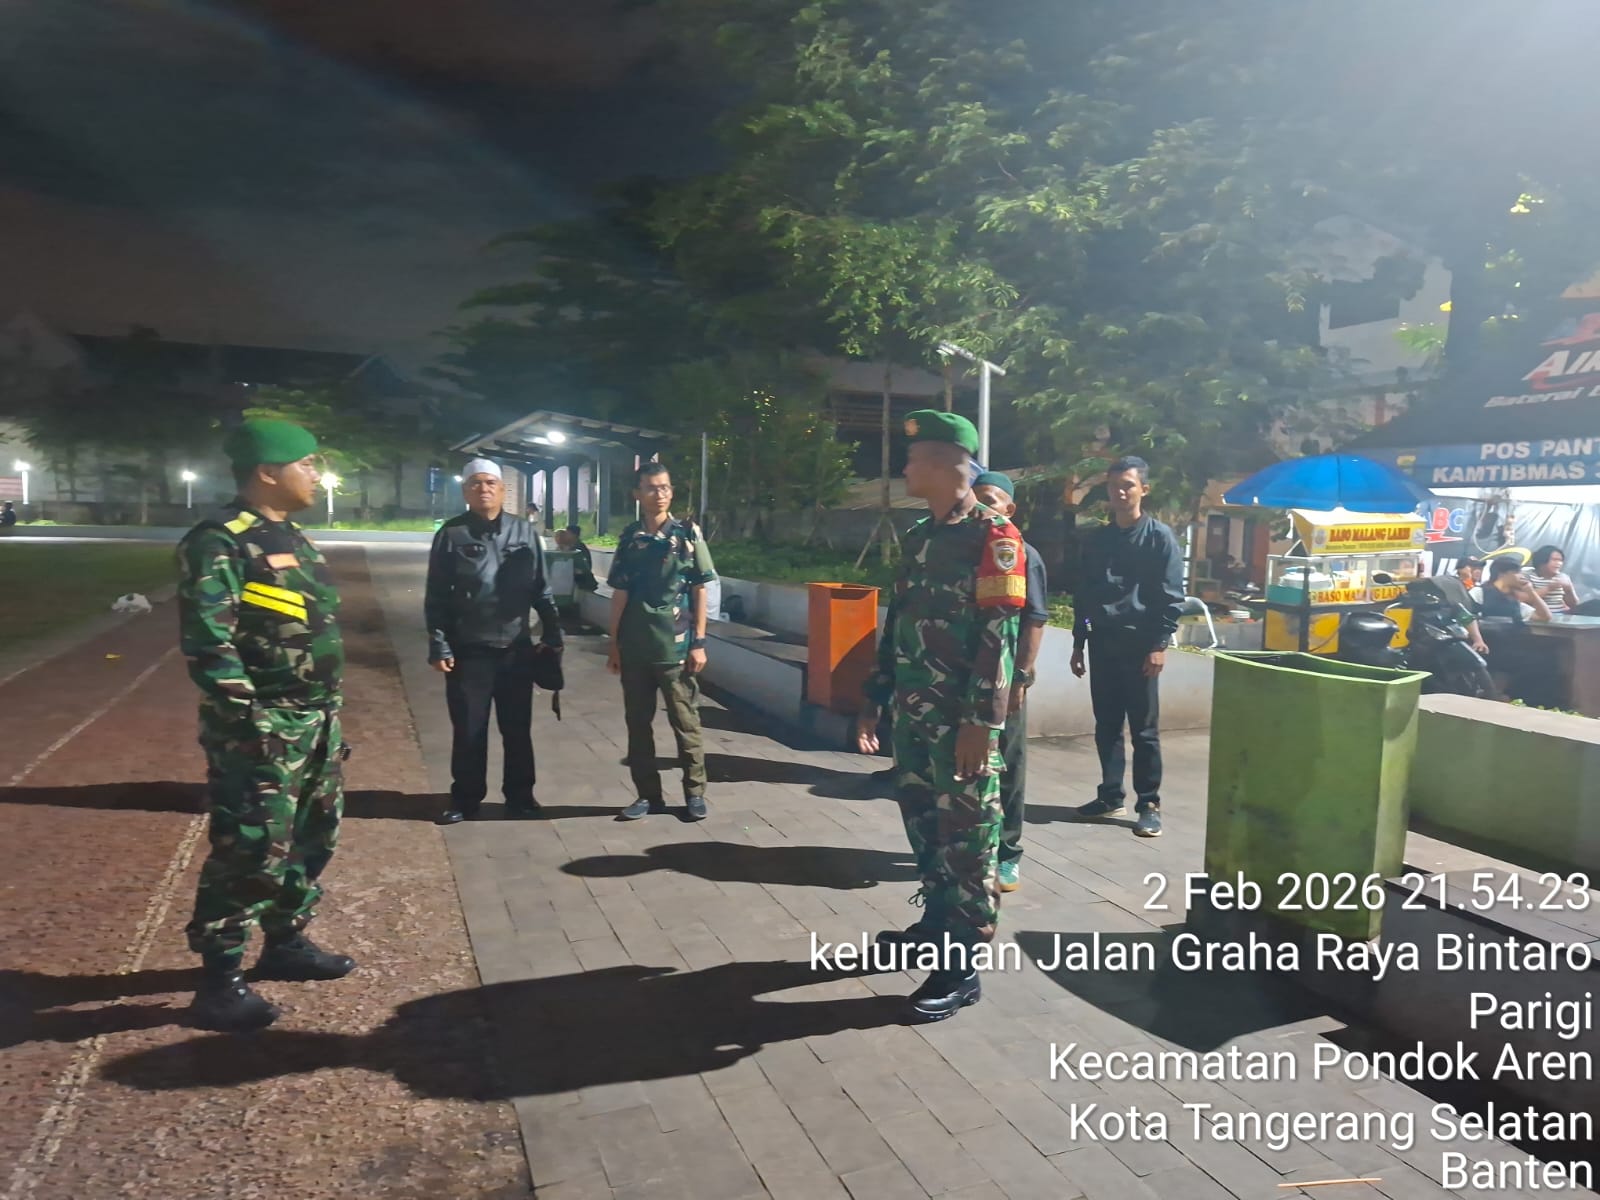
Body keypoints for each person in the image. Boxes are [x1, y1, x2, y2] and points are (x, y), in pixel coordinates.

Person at [176, 419, 354, 1032]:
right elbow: (210, 644)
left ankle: (286, 941)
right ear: (267, 472)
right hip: (261, 730)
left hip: (315, 722)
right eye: (307, 463)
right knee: (251, 847)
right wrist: (252, 724)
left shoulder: (294, 538)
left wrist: (327, 715)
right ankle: (219, 980)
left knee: (312, 838)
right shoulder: (219, 542)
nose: (316, 473)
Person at [856, 410, 1027, 1021]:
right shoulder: (919, 535)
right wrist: (875, 697)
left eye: (914, 458)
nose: (904, 468)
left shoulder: (995, 538)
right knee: (926, 829)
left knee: (970, 842)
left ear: (947, 464)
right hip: (914, 715)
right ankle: (934, 926)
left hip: (962, 724)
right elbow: (897, 624)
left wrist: (982, 723)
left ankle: (961, 969)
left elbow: (999, 637)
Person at [425, 459, 563, 825]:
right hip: (468, 651)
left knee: (517, 729)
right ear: (465, 491)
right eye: (476, 483)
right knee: (469, 729)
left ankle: (521, 797)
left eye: (490, 483)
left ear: (502, 490)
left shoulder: (524, 531)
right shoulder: (451, 534)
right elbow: (436, 594)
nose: (483, 489)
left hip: (516, 649)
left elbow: (541, 588)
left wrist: (553, 633)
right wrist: (438, 643)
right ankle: (466, 799)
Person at [1071, 456, 1184, 838]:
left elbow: (1171, 597)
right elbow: (1085, 596)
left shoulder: (1159, 538)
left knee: (1144, 731)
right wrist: (1080, 641)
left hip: (1141, 647)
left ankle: (1148, 804)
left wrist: (1159, 644)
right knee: (1106, 726)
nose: (1120, 492)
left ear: (1143, 490)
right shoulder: (1098, 540)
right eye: (1114, 485)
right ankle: (1110, 795)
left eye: (1128, 485)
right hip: (1102, 644)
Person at [607, 463, 716, 821]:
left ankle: (694, 793)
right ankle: (647, 795)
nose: (660, 494)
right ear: (637, 494)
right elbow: (620, 593)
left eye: (665, 487)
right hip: (636, 647)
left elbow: (700, 588)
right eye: (652, 488)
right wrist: (614, 643)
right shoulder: (630, 537)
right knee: (638, 725)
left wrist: (699, 642)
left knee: (686, 723)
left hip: (676, 647)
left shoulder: (687, 533)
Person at [970, 470, 1048, 895]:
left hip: (1004, 680)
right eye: (976, 499)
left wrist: (1019, 678)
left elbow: (1035, 619)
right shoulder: (964, 548)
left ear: (1009, 509)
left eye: (991, 500)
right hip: (965, 678)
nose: (982, 508)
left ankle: (1008, 853)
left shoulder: (1021, 553)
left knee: (1009, 765)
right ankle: (973, 846)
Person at [1526, 545, 1580, 613]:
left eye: (1560, 560)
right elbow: (1526, 599)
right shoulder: (1528, 575)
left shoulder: (1563, 577)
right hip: (1538, 615)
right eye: (1554, 560)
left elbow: (1574, 604)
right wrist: (1548, 588)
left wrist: (1568, 589)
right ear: (1542, 561)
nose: (1559, 563)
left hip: (1560, 615)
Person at [563, 524, 599, 592]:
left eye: (567, 534)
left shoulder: (579, 548)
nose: (565, 536)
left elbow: (584, 566)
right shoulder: (570, 546)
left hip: (583, 582)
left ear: (574, 535)